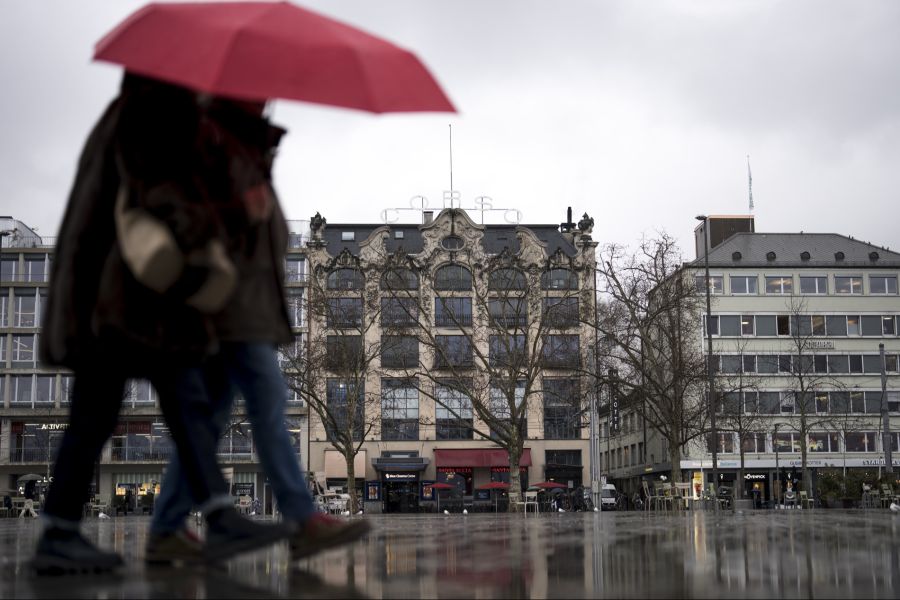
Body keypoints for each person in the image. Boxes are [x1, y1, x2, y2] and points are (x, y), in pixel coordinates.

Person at [32, 73, 289, 574]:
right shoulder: (154, 113)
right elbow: (165, 200)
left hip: (110, 296)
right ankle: (212, 517)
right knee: (174, 405)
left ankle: (67, 533)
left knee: (127, 412)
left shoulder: (127, 110)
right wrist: (236, 211)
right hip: (132, 299)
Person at [145, 95, 369, 565]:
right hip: (229, 306)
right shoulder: (213, 143)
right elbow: (183, 215)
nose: (266, 98)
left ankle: (166, 526)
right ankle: (302, 517)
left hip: (245, 306)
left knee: (213, 421)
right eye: (256, 93)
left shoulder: (245, 146)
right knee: (269, 401)